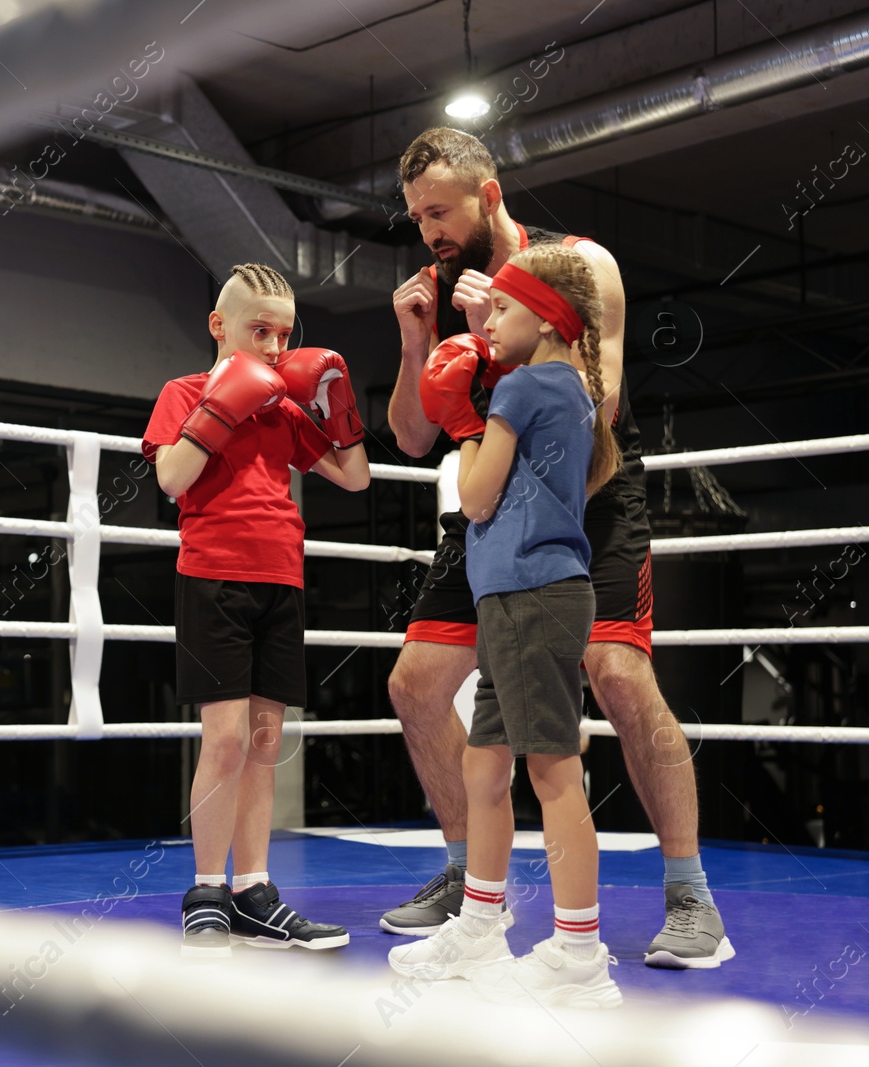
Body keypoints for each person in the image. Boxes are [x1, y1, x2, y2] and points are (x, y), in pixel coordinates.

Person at [381, 128, 732, 969]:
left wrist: (492, 345)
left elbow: (593, 408)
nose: (427, 229)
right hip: (496, 501)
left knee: (616, 673)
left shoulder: (579, 264)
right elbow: (409, 435)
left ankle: (690, 894)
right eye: (416, 215)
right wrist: (418, 347)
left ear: (489, 196)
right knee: (417, 682)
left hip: (591, 493)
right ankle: (473, 885)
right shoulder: (438, 286)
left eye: (439, 209)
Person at [390, 244, 621, 1006]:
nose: (489, 320)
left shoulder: (522, 388)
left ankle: (581, 952)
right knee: (485, 768)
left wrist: (465, 426)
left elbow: (479, 497)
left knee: (551, 771)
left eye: (505, 309)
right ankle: (481, 925)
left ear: (549, 318)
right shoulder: (573, 388)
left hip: (530, 594)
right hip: (521, 598)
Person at [142, 263, 369, 956]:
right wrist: (221, 407)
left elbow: (355, 477)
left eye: (283, 333)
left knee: (267, 744)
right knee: (228, 740)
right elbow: (173, 478)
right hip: (214, 577)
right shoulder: (183, 391)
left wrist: (338, 406)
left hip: (283, 580)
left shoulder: (284, 408)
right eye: (258, 330)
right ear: (219, 326)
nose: (274, 346)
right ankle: (207, 890)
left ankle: (253, 892)